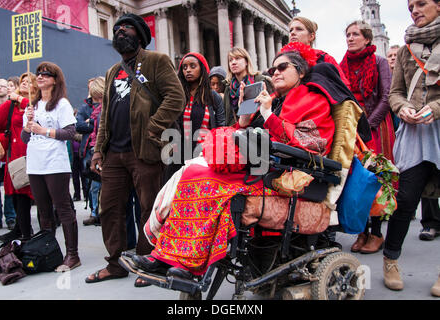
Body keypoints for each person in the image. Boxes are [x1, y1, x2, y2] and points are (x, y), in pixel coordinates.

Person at [130, 47, 336, 278]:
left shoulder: (313, 100)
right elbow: (244, 137)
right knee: (192, 172)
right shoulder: (274, 100)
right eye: (273, 69)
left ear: (300, 72)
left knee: (202, 178)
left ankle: (192, 262)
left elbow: (311, 144)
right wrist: (244, 120)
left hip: (286, 176)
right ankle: (166, 256)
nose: (275, 72)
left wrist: (268, 116)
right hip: (260, 168)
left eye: (282, 67)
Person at [84, 13, 185, 287]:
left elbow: (176, 97)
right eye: (116, 29)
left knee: (148, 209)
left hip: (145, 151)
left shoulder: (155, 62)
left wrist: (153, 128)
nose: (119, 31)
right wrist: (97, 151)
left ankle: (147, 261)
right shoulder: (112, 72)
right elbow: (105, 115)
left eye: (126, 28)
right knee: (110, 209)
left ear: (139, 34)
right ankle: (115, 263)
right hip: (113, 154)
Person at [382, 0, 440, 296]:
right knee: (405, 201)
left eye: (421, 4)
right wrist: (402, 107)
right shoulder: (405, 50)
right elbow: (395, 92)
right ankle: (390, 260)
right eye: (410, 6)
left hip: (439, 128)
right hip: (416, 134)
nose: (414, 10)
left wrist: (436, 108)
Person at [340, 20, 395, 254]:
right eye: (348, 35)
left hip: (375, 126)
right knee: (356, 181)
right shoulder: (342, 65)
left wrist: (368, 125)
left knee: (375, 179)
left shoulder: (380, 62)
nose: (350, 38)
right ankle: (361, 232)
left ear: (367, 38)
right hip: (352, 128)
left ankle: (377, 233)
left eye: (355, 34)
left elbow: (387, 96)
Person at [21, 61, 80, 272]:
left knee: (63, 208)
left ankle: (72, 254)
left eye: (46, 74)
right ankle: (48, 252)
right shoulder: (31, 106)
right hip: (35, 164)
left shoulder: (61, 104)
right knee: (43, 211)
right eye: (38, 73)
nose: (41, 76)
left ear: (55, 80)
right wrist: (28, 126)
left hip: (55, 163)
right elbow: (25, 137)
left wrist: (42, 130)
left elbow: (70, 133)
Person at [0, 73, 38, 242]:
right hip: (16, 156)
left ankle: (32, 233)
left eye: (29, 82)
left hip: (34, 155)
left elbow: (35, 111)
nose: (24, 84)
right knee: (18, 195)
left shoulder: (35, 103)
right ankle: (21, 230)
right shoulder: (11, 104)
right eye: (23, 81)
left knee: (35, 196)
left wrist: (20, 98)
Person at [163, 52, 225, 181]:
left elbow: (221, 128)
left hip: (203, 157)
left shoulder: (214, 97)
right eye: (185, 67)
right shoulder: (176, 96)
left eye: (192, 66)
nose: (188, 70)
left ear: (202, 68)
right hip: (177, 156)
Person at [288, 16, 351, 88]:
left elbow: (344, 87)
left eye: (299, 29)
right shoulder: (283, 60)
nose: (292, 33)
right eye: (291, 30)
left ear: (311, 36)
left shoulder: (324, 58)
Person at [0, 78, 16, 233]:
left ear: (8, 88)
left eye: (2, 86)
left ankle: (11, 216)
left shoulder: (13, 105)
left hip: (10, 150)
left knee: (10, 186)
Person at [223, 47, 273, 126]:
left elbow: (272, 107)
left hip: (259, 130)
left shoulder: (261, 80)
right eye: (230, 60)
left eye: (237, 58)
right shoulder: (228, 88)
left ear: (246, 61)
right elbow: (226, 115)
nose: (233, 62)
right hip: (235, 132)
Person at [82, 77, 105, 226]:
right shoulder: (95, 110)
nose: (97, 101)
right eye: (94, 97)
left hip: (105, 153)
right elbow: (80, 126)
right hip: (95, 151)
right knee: (95, 186)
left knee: (103, 188)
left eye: (99, 97)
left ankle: (100, 214)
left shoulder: (106, 109)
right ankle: (95, 212)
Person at [75, 78, 97, 202]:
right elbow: (78, 126)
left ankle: (98, 212)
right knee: (90, 181)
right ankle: (93, 210)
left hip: (101, 148)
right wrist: (94, 124)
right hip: (87, 150)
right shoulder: (84, 108)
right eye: (90, 87)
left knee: (99, 184)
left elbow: (102, 122)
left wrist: (92, 121)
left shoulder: (106, 103)